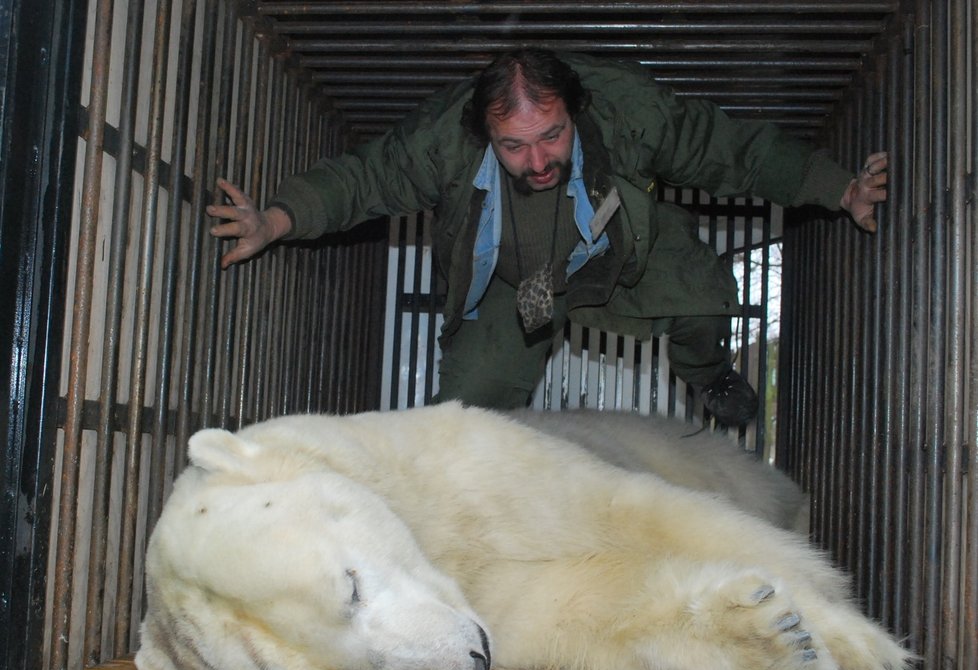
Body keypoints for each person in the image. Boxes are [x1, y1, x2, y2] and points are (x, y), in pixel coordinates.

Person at [208, 48, 887, 426]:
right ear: (483, 133)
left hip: (627, 251)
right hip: (508, 286)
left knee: (708, 305)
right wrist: (276, 220)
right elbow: (360, 180)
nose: (536, 162)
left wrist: (837, 187)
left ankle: (709, 376)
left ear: (577, 112)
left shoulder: (630, 112)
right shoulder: (440, 142)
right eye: (513, 146)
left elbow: (731, 151)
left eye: (551, 137)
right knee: (460, 422)